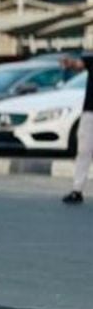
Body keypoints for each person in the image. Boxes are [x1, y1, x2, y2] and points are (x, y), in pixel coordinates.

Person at [62, 55, 93, 204]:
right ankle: (77, 190)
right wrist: (70, 63)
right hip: (90, 113)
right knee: (84, 150)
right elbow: (79, 64)